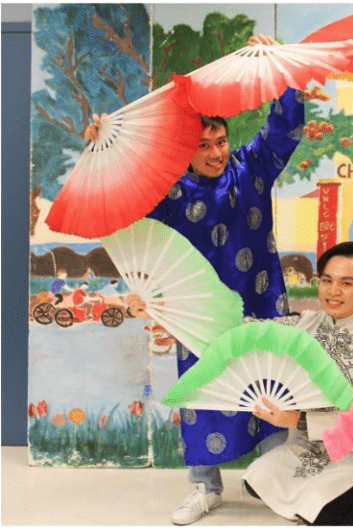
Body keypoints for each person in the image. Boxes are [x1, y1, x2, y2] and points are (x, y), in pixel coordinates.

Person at [98, 33, 305, 526]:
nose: (215, 153)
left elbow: (284, 126)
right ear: (185, 150)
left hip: (261, 302)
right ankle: (205, 488)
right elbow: (125, 202)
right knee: (203, 393)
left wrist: (278, 68)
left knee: (271, 389)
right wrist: (103, 141)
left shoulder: (251, 169)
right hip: (201, 312)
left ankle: (281, 483)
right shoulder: (168, 193)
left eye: (220, 141)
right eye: (203, 146)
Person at [241, 241, 353, 525]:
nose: (333, 291)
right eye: (327, 281)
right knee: (258, 478)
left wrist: (297, 420)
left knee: (322, 511)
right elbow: (245, 330)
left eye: (346, 283)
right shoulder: (303, 325)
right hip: (309, 448)